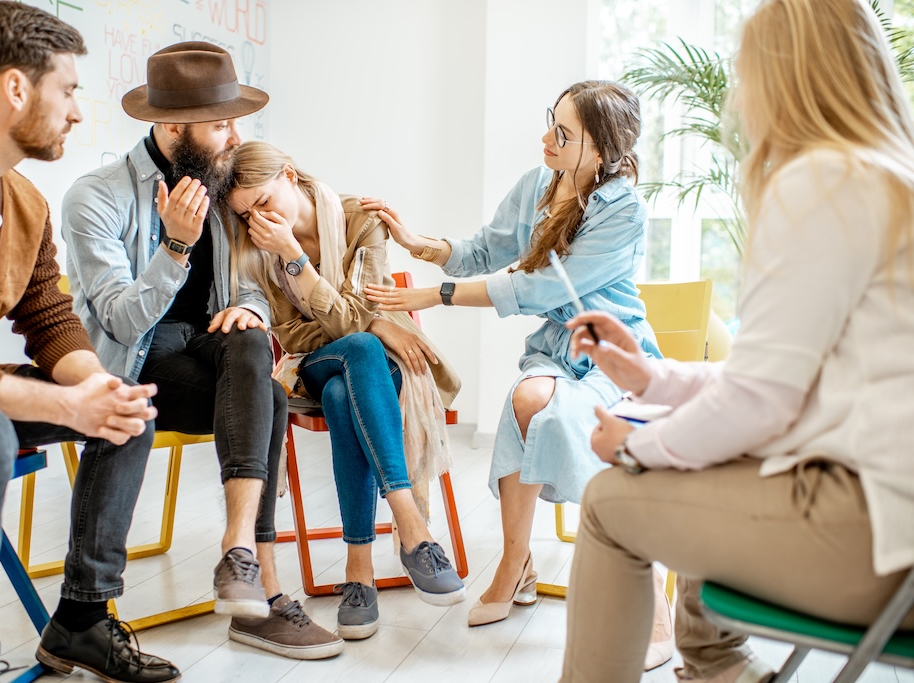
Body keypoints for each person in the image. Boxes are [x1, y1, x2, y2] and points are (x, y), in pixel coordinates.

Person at [559, 1, 914, 681]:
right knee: (690, 456)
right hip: (892, 527)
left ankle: (718, 662)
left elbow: (762, 402)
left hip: (875, 543)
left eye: (744, 74)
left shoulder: (822, 180)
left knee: (607, 501)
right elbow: (790, 382)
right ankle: (722, 667)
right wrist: (650, 378)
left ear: (783, 75)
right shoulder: (885, 177)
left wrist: (631, 444)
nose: (738, 98)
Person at [0, 4, 180, 682]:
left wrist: (91, 388)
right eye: (69, 90)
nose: (78, 111)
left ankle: (80, 617)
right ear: (16, 88)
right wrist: (63, 404)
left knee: (122, 410)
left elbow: (48, 317)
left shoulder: (24, 202)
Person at [363, 80, 671, 667]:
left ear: (601, 150)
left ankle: (649, 595)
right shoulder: (539, 184)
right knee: (525, 400)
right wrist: (415, 242)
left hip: (614, 351)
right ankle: (515, 561)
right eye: (549, 123)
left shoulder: (623, 208)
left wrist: (436, 296)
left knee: (590, 430)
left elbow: (538, 287)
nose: (546, 140)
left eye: (563, 133)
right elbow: (488, 248)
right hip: (557, 349)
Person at [62, 43, 342, 659]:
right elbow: (119, 320)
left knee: (252, 356)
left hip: (212, 354)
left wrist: (254, 309)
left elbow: (249, 286)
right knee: (255, 391)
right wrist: (176, 248)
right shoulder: (96, 197)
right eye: (220, 124)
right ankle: (261, 598)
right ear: (170, 127)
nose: (234, 135)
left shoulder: (222, 185)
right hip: (139, 360)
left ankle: (236, 552)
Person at [226, 140, 467, 639]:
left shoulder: (361, 219)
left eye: (264, 201)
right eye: (246, 214)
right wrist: (364, 320)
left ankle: (359, 571)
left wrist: (310, 276)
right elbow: (296, 336)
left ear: (289, 176)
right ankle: (412, 528)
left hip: (387, 367)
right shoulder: (256, 248)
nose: (258, 221)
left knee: (343, 391)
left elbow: (359, 312)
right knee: (356, 346)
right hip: (314, 364)